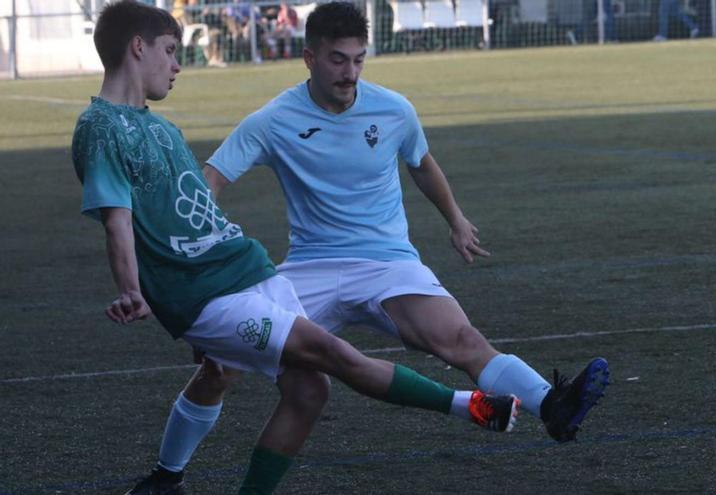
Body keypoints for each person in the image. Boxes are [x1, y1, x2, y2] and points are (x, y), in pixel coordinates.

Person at [127, 2, 610, 493]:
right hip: (309, 269)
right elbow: (212, 177)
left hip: (387, 263)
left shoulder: (394, 109)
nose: (350, 72)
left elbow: (421, 163)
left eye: (358, 59)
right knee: (219, 368)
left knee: (462, 340)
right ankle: (167, 476)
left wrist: (456, 220)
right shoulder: (273, 120)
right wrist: (193, 252)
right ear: (309, 58)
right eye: (338, 60)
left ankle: (552, 405)